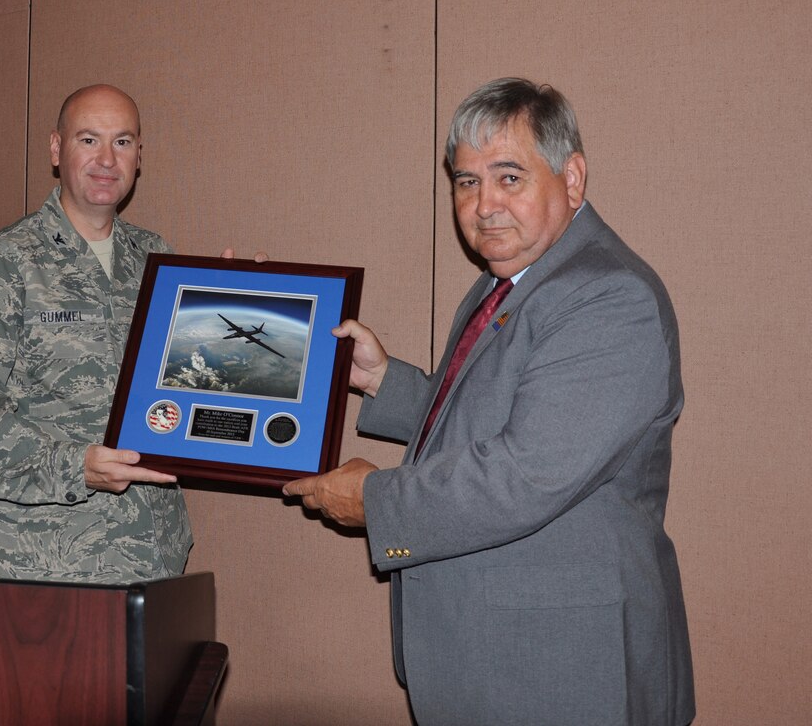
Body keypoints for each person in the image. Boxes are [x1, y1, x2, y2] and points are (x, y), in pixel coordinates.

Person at [283, 78, 695, 725]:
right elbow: (494, 421)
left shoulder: (609, 298)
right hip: (493, 657)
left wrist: (377, 501)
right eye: (466, 181)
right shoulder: (502, 285)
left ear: (573, 177)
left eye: (509, 177)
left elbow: (526, 472)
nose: (483, 205)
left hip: (563, 671)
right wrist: (384, 379)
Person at [0, 85, 191, 583]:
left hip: (155, 555)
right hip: (45, 569)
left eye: (123, 142)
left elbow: (189, 381)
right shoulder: (6, 266)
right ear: (56, 148)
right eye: (88, 139)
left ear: (140, 155)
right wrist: (76, 468)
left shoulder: (158, 261)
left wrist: (238, 293)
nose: (106, 159)